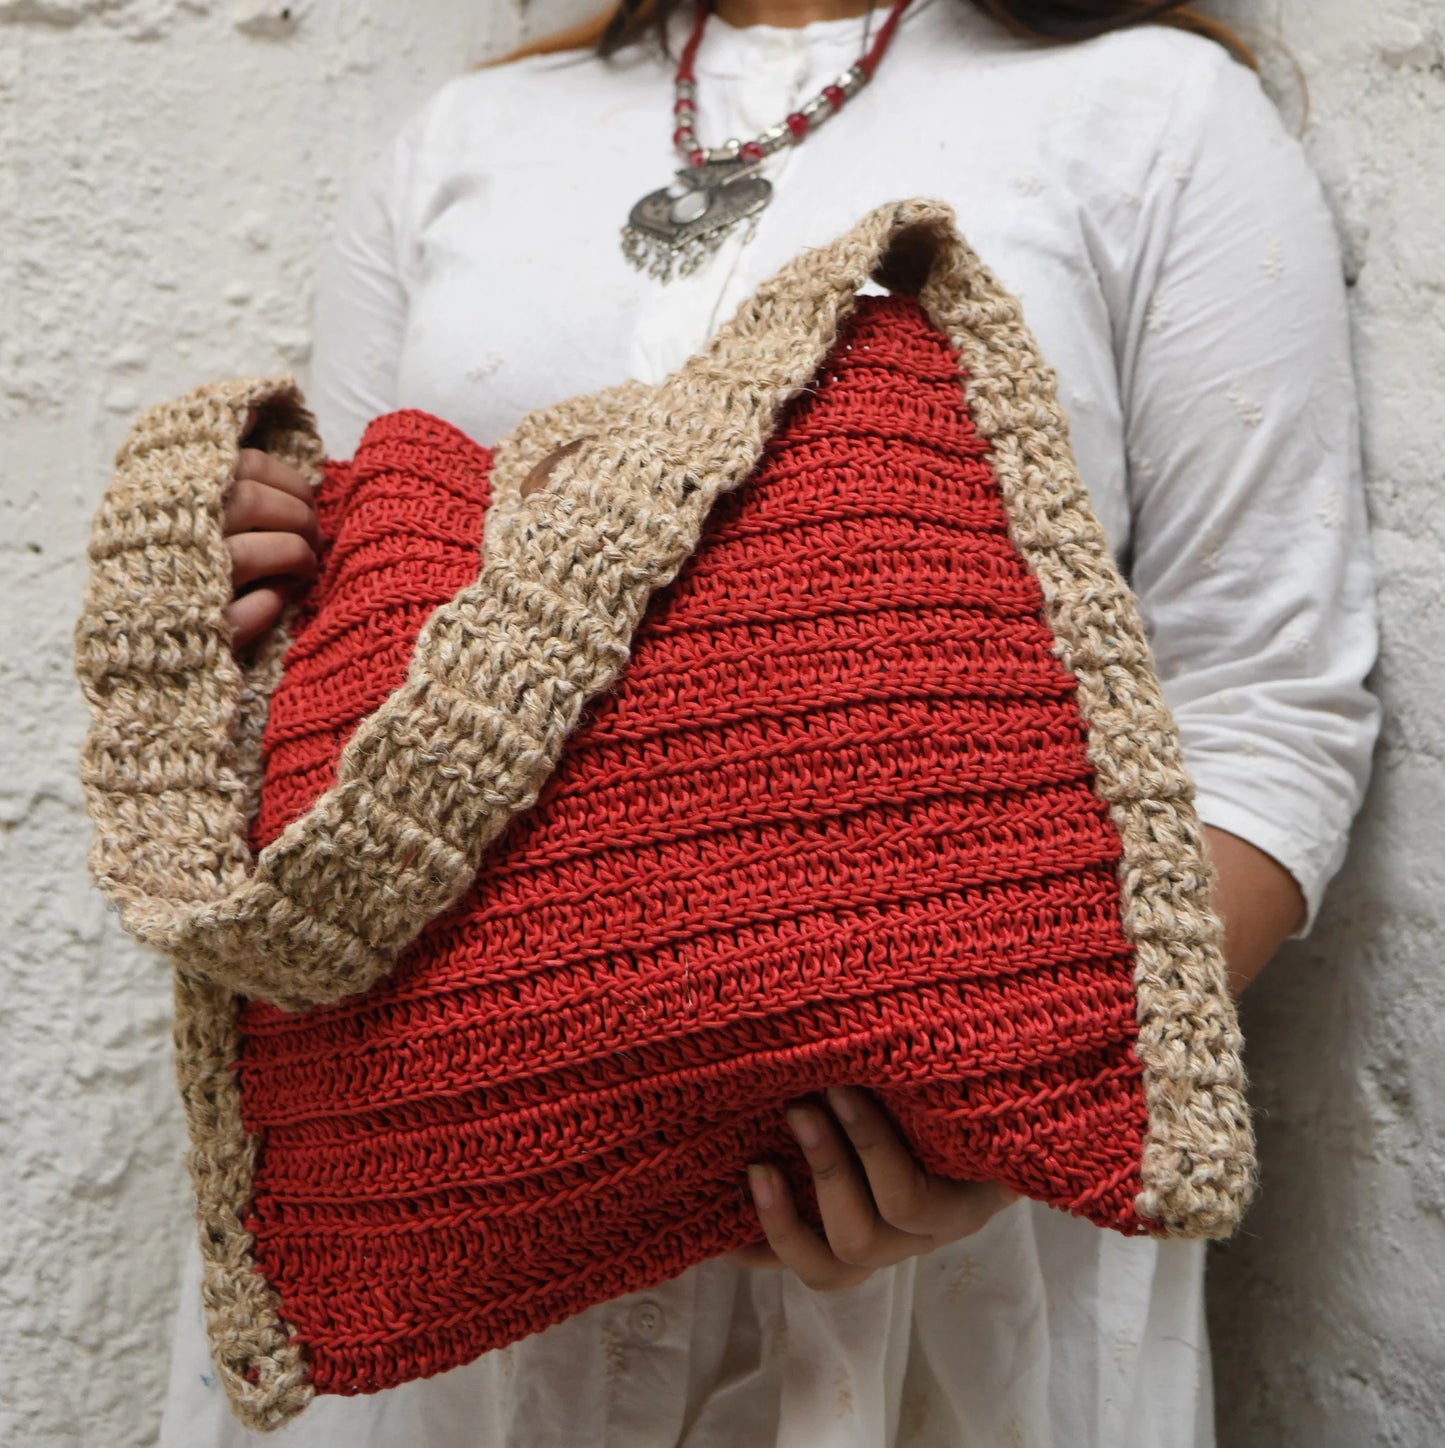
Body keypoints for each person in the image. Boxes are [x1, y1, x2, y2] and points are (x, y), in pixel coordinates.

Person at [161, 1, 1379, 1443]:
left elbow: (1264, 705)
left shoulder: (1150, 115)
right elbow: (350, 681)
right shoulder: (463, 143)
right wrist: (255, 568)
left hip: (936, 1282)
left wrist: (991, 1118)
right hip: (442, 1228)